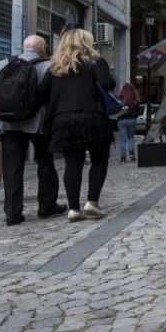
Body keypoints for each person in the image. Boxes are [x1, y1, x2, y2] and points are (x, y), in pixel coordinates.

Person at [0, 35, 66, 226]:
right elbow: (52, 99)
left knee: (12, 168)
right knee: (45, 163)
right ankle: (47, 204)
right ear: (42, 48)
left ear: (23, 48)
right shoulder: (47, 66)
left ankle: (13, 213)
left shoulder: (3, 64)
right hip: (38, 123)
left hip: (8, 123)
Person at [38, 28, 114, 223]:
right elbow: (108, 84)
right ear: (86, 43)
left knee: (73, 162)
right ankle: (92, 202)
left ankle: (73, 208)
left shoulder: (55, 68)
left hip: (63, 120)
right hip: (91, 116)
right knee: (99, 158)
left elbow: (41, 93)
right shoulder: (94, 63)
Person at [116, 83, 140, 163]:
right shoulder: (134, 99)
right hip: (132, 119)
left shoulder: (119, 99)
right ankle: (131, 153)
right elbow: (138, 111)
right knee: (131, 137)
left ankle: (123, 158)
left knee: (123, 140)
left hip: (121, 120)